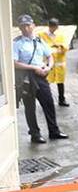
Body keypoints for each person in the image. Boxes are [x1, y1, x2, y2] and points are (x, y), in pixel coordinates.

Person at [13, 14, 69, 144]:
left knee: (48, 103)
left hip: (41, 75)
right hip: (26, 76)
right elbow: (14, 63)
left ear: (33, 26)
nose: (26, 29)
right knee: (30, 106)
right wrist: (33, 68)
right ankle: (35, 134)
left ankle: (54, 131)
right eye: (22, 26)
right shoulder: (17, 43)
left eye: (28, 25)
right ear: (20, 28)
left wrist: (49, 67)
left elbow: (50, 55)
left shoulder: (39, 40)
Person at [38, 18, 70, 106]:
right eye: (53, 27)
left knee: (60, 82)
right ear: (49, 26)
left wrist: (60, 45)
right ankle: (46, 101)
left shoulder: (61, 35)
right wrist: (50, 47)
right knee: (46, 82)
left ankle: (61, 100)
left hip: (60, 64)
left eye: (56, 27)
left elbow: (66, 47)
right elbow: (39, 46)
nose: (54, 29)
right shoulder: (41, 35)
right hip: (48, 63)